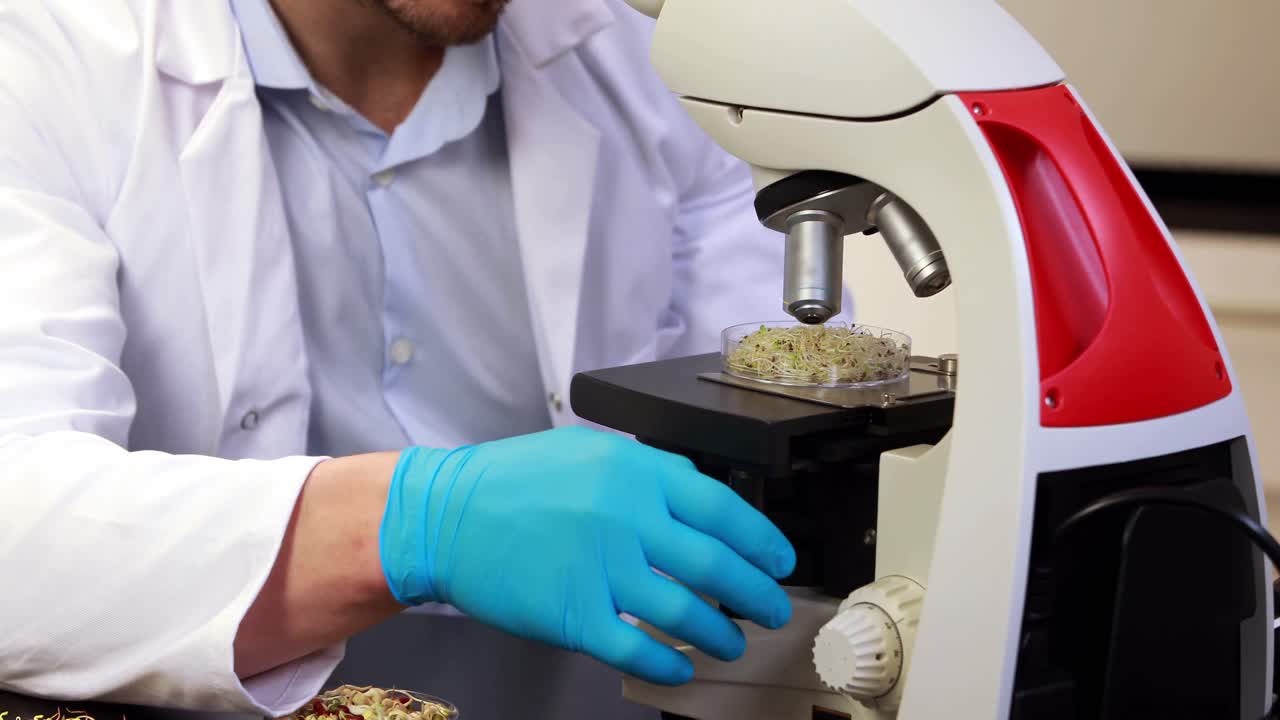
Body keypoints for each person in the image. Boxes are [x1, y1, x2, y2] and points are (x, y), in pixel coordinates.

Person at [0, 0, 835, 717]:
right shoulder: (49, 54)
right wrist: (418, 522)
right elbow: (16, 534)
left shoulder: (649, 52)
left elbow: (774, 390)